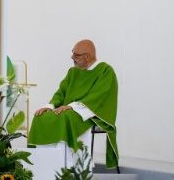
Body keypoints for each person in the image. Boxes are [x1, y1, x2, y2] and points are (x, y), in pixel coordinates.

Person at [28, 39, 119, 169]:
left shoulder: (105, 71)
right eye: (72, 54)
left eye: (76, 55)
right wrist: (49, 106)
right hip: (69, 110)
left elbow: (99, 96)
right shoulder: (73, 72)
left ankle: (66, 166)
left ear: (87, 57)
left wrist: (72, 106)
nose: (72, 58)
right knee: (40, 117)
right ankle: (43, 165)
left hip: (89, 113)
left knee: (65, 117)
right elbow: (61, 92)